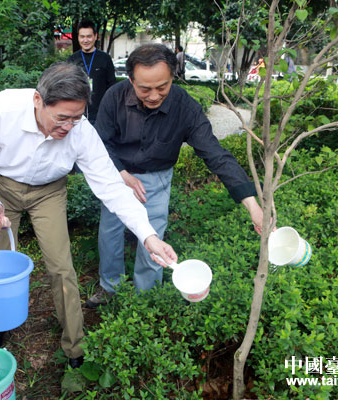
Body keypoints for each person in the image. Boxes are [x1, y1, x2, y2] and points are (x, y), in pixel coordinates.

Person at [0, 62, 177, 368]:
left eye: (77, 118)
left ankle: (75, 347)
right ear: (38, 100)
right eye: (61, 118)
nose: (68, 127)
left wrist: (148, 235)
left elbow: (111, 187)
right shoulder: (3, 109)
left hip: (49, 191)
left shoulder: (81, 132)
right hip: (1, 186)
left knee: (62, 266)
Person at [88, 43, 265, 307]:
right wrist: (122, 173)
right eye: (144, 89)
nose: (154, 96)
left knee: (154, 238)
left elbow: (215, 153)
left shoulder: (185, 106)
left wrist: (251, 202)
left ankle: (144, 300)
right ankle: (109, 287)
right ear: (131, 79)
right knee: (110, 234)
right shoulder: (114, 97)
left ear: (173, 76)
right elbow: (101, 143)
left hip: (156, 178)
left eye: (162, 87)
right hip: (116, 175)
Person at [67, 19, 116, 125]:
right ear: (78, 37)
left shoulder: (105, 58)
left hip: (101, 114)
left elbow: (112, 86)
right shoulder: (72, 59)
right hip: (77, 114)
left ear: (95, 36)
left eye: (89, 36)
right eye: (82, 36)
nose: (85, 40)